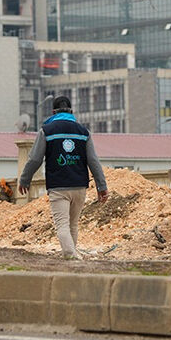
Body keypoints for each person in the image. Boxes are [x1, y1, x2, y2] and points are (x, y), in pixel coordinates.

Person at [17, 96, 108, 259]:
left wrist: (24, 179)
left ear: (53, 112)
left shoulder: (47, 130)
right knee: (73, 225)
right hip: (79, 186)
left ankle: (71, 255)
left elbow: (35, 159)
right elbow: (93, 160)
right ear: (71, 111)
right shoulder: (83, 132)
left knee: (62, 226)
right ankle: (71, 257)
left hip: (58, 187)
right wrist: (102, 187)